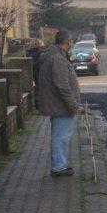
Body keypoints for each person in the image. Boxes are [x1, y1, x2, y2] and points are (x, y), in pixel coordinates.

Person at [37, 30, 81, 177]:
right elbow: (62, 85)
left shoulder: (55, 56)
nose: (72, 44)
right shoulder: (58, 59)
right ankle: (58, 167)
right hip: (60, 106)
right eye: (71, 41)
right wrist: (73, 105)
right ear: (68, 41)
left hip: (57, 104)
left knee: (60, 136)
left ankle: (59, 165)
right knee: (61, 137)